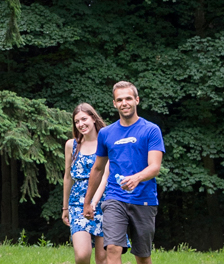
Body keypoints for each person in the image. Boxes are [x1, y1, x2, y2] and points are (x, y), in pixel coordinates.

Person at [84, 81, 165, 264]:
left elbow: (155, 167)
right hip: (115, 197)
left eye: (128, 98)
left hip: (144, 199)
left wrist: (137, 178)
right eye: (119, 100)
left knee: (142, 256)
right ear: (114, 103)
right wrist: (87, 201)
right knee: (112, 247)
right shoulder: (106, 133)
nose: (124, 103)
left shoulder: (151, 130)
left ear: (136, 100)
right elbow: (97, 169)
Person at [62, 103, 109, 264]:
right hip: (77, 203)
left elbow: (104, 177)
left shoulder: (106, 142)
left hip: (104, 201)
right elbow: (68, 178)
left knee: (102, 259)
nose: (81, 124)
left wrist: (93, 202)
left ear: (93, 118)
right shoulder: (71, 145)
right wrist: (65, 207)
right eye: (77, 121)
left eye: (84, 119)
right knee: (82, 255)